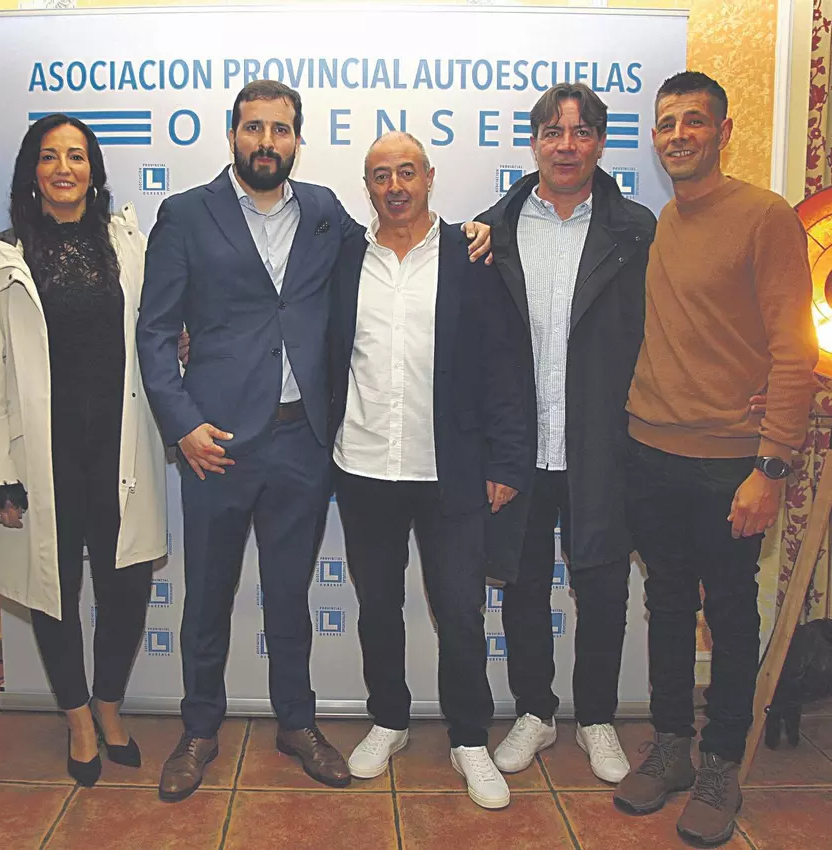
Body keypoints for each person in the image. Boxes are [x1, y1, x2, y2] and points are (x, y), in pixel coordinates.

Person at [138, 81, 492, 802]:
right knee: (206, 598)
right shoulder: (185, 214)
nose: (266, 142)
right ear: (232, 135)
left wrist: (484, 228)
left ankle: (296, 723)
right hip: (216, 445)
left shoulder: (327, 212)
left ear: (298, 139)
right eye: (253, 128)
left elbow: (406, 229)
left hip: (302, 442)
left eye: (280, 129)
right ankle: (199, 728)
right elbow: (154, 331)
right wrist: (182, 424)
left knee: (289, 597)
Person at [613, 71, 817, 847]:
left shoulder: (765, 217)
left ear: (723, 132)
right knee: (667, 605)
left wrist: (771, 466)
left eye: (694, 121)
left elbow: (795, 350)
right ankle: (672, 747)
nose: (679, 135)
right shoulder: (662, 221)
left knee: (729, 612)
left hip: (730, 464)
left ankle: (722, 764)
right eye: (667, 123)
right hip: (649, 450)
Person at [330, 132, 528, 809]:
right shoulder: (344, 258)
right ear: (368, 186)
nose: (396, 186)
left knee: (461, 613)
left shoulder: (471, 255)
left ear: (429, 177)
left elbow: (503, 365)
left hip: (453, 471)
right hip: (363, 466)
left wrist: (506, 459)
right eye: (381, 175)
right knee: (378, 608)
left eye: (407, 172)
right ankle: (388, 720)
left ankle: (469, 738)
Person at [477, 83, 655, 784]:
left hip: (602, 444)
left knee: (603, 585)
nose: (567, 146)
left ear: (601, 142)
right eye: (553, 132)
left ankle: (599, 718)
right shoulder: (492, 230)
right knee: (521, 586)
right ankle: (534, 711)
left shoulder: (636, 230)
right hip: (520, 448)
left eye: (581, 132)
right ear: (535, 143)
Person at [0, 114, 168, 786]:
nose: (64, 168)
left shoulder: (127, 244)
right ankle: (78, 719)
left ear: (94, 170)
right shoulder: (1, 257)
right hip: (42, 457)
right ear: (31, 171)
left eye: (77, 156)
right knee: (52, 590)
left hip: (120, 448)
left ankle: (109, 704)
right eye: (50, 156)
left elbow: (157, 328)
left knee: (127, 586)